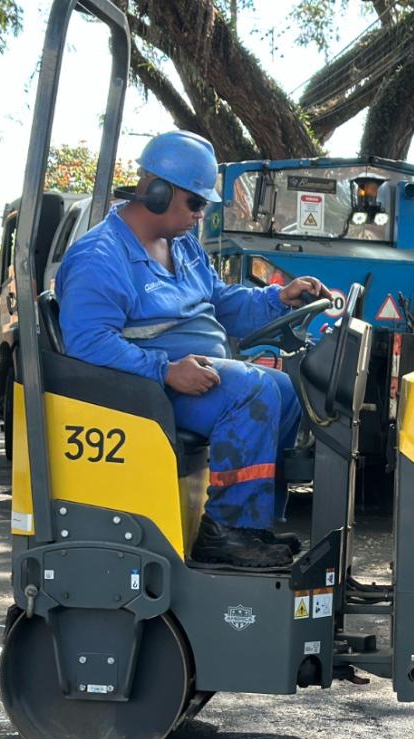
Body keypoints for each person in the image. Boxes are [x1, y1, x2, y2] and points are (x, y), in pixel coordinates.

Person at [56, 131, 327, 569]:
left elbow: (220, 302)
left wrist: (278, 298)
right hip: (140, 393)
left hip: (190, 380)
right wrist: (165, 370)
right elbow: (88, 342)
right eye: (196, 204)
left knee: (282, 386)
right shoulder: (100, 256)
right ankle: (224, 532)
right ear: (157, 192)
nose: (201, 216)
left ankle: (250, 526)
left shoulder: (182, 246)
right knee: (252, 390)